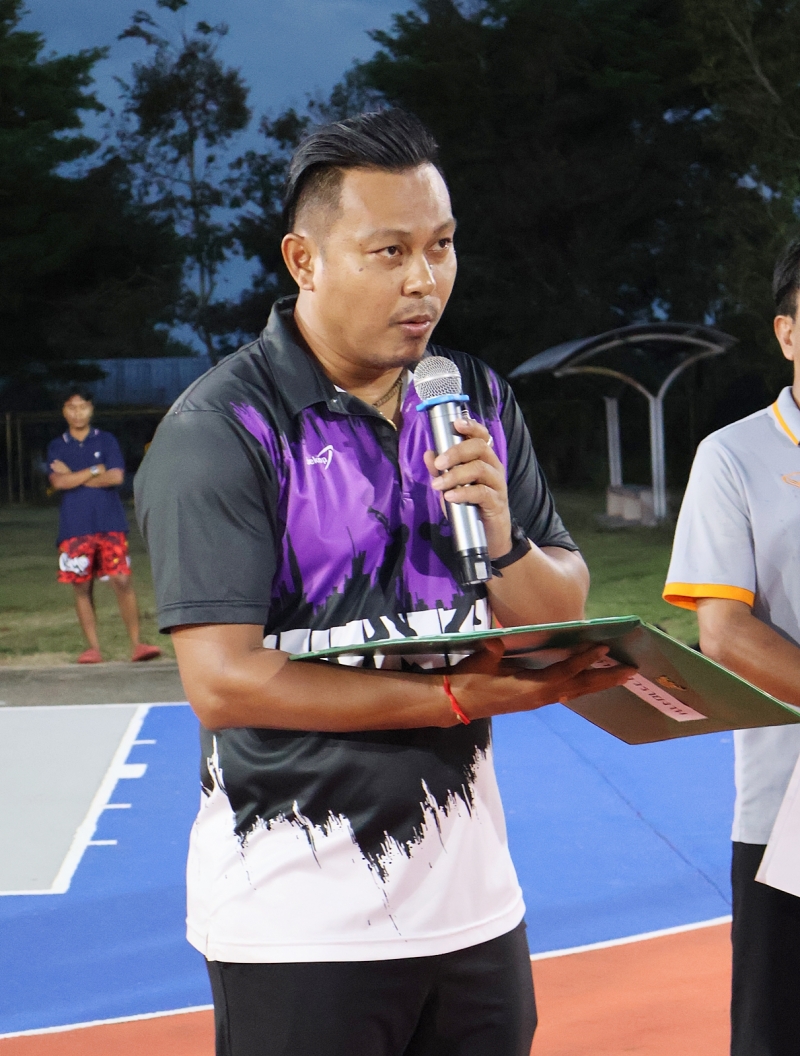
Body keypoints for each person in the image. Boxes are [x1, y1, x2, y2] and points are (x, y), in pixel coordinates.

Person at [135, 108, 629, 1056]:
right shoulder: (223, 428)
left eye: (441, 246)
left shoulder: (474, 398)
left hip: (475, 905)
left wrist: (504, 542)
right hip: (297, 920)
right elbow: (225, 681)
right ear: (305, 260)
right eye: (390, 251)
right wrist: (450, 699)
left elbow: (556, 613)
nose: (424, 280)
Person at [664, 238, 800, 1056]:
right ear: (787, 332)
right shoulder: (735, 456)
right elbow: (724, 633)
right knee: (775, 1031)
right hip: (786, 814)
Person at [48, 390, 161, 665]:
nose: (77, 413)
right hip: (75, 525)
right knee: (81, 585)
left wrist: (74, 476)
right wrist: (94, 470)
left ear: (91, 409)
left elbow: (116, 477)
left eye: (82, 407)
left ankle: (137, 644)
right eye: (71, 407)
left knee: (121, 580)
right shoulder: (57, 446)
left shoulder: (106, 440)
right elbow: (59, 483)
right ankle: (93, 648)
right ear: (64, 411)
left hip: (110, 522)